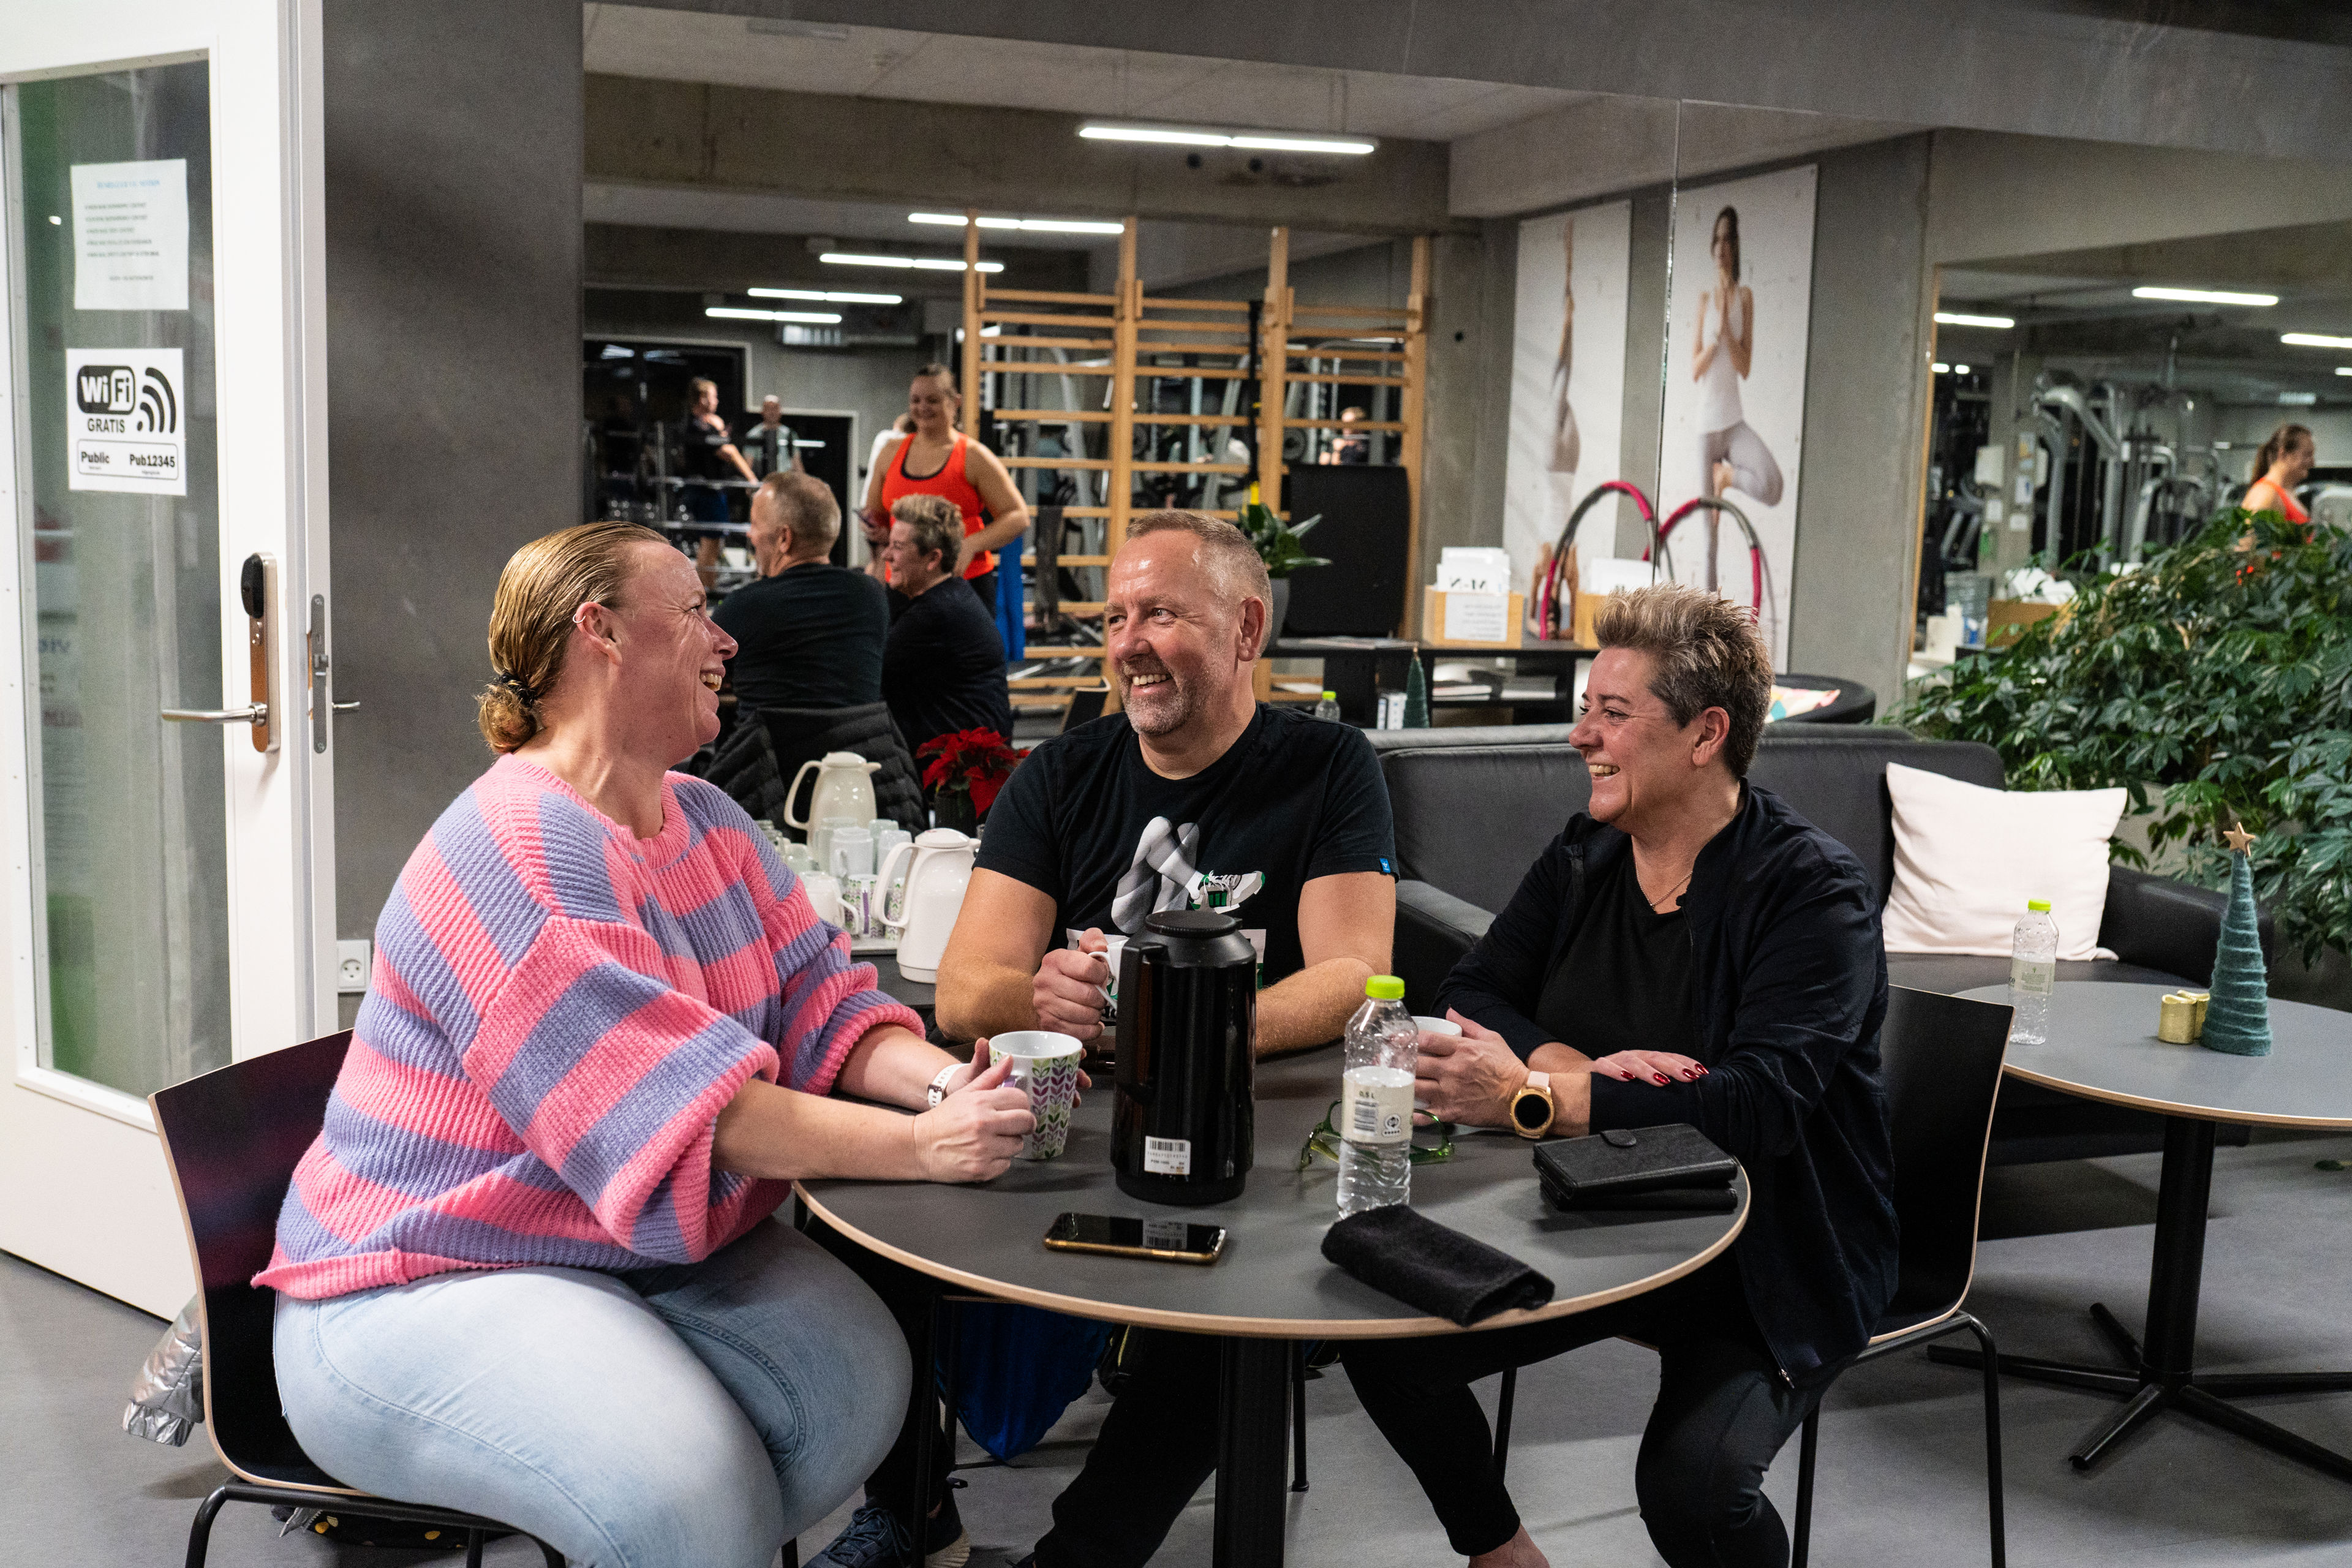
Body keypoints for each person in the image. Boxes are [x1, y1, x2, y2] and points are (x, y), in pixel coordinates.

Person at [260, 521, 1044, 1568]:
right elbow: (685, 1107)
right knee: (692, 1496)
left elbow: (824, 1005)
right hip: (420, 1273)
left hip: (595, 1243)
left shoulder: (706, 818)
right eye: (695, 613)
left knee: (853, 1388)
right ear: (601, 633)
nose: (727, 641)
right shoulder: (514, 849)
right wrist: (923, 1148)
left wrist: (953, 1087)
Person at [802, 510, 1398, 1568]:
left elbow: (1354, 970)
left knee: (1239, 1309)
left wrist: (1187, 1026)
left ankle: (1081, 1557)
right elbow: (968, 989)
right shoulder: (1062, 774)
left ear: (1246, 629)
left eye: (1160, 614)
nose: (1128, 644)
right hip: (1071, 1128)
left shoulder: (1328, 766)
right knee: (853, 1229)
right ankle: (912, 1511)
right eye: (1116, 618)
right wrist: (1041, 1000)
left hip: (1243, 1133)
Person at [1341, 582, 1899, 1568]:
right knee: (1384, 1334)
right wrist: (1577, 1069)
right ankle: (1505, 1557)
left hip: (1766, 1253)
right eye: (1584, 708)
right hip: (1599, 1212)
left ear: (1705, 734)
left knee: (1695, 1494)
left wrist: (1535, 1098)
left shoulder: (1812, 893)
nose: (1580, 736)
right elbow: (1475, 988)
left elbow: (1758, 1108)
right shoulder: (1587, 853)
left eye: (1611, 712)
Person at [715, 471, 888, 713]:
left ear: (784, 539)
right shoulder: (872, 596)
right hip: (857, 737)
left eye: (754, 524)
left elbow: (701, 674)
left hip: (768, 738)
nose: (749, 534)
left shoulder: (744, 606)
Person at [861, 364, 1030, 611]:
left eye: (933, 400)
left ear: (955, 403)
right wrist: (874, 528)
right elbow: (874, 514)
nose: (923, 407)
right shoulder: (890, 453)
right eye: (916, 401)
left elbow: (1018, 517)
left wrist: (970, 545)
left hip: (963, 582)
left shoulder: (974, 456)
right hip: (901, 582)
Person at [880, 493, 1014, 756]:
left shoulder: (936, 613)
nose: (887, 555)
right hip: (965, 758)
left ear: (933, 559)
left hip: (960, 770)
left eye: (898, 547)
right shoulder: (951, 595)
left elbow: (869, 673)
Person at [1693, 206, 1785, 509]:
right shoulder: (1704, 299)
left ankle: (1726, 477)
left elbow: (1744, 368)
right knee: (1709, 532)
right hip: (1706, 429)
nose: (1721, 247)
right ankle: (1719, 480)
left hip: (1733, 424)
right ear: (1712, 246)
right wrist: (1715, 338)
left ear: (1735, 246)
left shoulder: (1745, 297)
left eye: (1728, 239)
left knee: (1773, 485)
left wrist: (1729, 335)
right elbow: (1694, 370)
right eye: (1717, 240)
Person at [676, 376, 761, 585]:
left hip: (710, 490)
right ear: (702, 399)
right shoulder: (698, 425)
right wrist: (752, 480)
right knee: (710, 542)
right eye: (714, 397)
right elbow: (728, 451)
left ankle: (709, 587)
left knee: (713, 543)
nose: (717, 401)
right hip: (706, 491)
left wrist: (720, 429)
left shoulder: (700, 423)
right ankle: (706, 589)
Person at [2241, 421, 2314, 522]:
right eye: (2307, 455)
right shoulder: (2266, 495)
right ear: (2284, 455)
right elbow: (2250, 533)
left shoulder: (2285, 492)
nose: (2313, 463)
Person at [745, 393, 808, 480]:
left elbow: (796, 463)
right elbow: (748, 464)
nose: (772, 412)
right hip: (763, 481)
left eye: (775, 408)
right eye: (768, 408)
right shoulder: (753, 435)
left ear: (780, 411)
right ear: (762, 412)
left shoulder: (789, 434)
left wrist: (803, 482)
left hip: (785, 482)